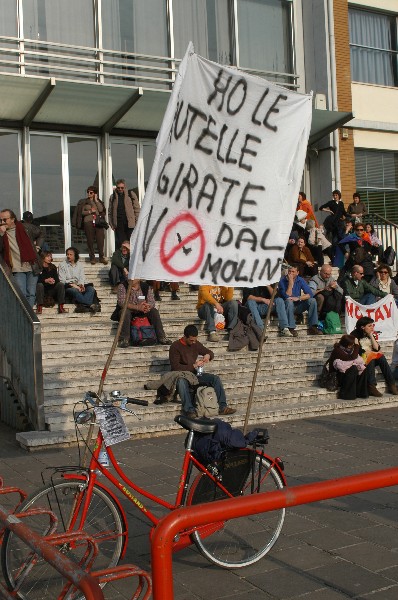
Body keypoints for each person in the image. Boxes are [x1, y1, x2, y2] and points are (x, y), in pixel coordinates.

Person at [169, 324, 236, 418]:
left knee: (215, 379)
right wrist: (194, 365)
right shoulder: (175, 346)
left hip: (194, 375)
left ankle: (222, 407)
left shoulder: (195, 344)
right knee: (181, 382)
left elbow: (209, 352)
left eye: (195, 340)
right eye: (191, 340)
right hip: (181, 375)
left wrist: (208, 355)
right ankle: (189, 410)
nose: (193, 342)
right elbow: (175, 367)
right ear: (185, 337)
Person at [0, 208, 43, 307]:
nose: (2, 222)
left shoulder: (25, 227)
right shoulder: (2, 233)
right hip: (17, 268)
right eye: (0, 220)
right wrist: (1, 234)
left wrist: (38, 247)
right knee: (22, 294)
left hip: (32, 265)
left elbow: (40, 234)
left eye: (4, 220)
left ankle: (30, 318)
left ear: (12, 219)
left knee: (31, 293)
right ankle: (26, 317)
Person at [351, 316, 398, 397]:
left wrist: (371, 335)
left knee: (381, 357)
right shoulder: (354, 335)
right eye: (369, 326)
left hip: (370, 357)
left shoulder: (369, 334)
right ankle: (372, 386)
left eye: (372, 325)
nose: (372, 327)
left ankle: (391, 384)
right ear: (362, 327)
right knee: (371, 357)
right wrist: (370, 353)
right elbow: (359, 351)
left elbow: (377, 348)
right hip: (360, 360)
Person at [117, 278, 171, 348]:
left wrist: (147, 306)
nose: (130, 278)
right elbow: (122, 302)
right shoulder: (123, 286)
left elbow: (151, 301)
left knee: (154, 311)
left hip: (143, 310)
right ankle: (124, 339)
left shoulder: (145, 286)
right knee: (124, 312)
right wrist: (137, 307)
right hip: (130, 310)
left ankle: (161, 337)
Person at [278, 264, 322, 336]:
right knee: (289, 301)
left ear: (297, 272)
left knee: (312, 300)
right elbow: (287, 296)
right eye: (289, 271)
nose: (291, 273)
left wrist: (298, 298)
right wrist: (291, 283)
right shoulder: (282, 281)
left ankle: (313, 326)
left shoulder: (300, 279)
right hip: (286, 306)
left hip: (297, 305)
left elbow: (310, 294)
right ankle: (291, 328)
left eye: (293, 272)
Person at [58, 247, 100, 313]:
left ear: (75, 255)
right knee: (75, 291)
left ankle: (85, 305)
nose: (68, 256)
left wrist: (81, 285)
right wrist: (74, 285)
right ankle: (91, 305)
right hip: (69, 285)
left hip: (79, 284)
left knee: (91, 289)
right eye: (67, 254)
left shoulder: (79, 264)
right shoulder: (62, 265)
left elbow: (82, 276)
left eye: (70, 254)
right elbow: (62, 280)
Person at [327, 334, 368, 400]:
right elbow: (351, 357)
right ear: (348, 345)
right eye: (352, 344)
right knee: (353, 368)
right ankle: (346, 394)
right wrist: (357, 345)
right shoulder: (337, 351)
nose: (353, 346)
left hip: (345, 374)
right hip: (337, 376)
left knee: (363, 368)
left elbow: (355, 357)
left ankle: (360, 392)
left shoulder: (349, 350)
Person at [76, 186, 108, 265]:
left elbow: (101, 210)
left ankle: (101, 257)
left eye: (91, 192)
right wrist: (90, 211)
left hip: (98, 222)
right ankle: (92, 257)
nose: (89, 194)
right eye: (88, 192)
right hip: (88, 222)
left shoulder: (98, 201)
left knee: (100, 239)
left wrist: (96, 200)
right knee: (90, 240)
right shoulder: (85, 202)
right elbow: (81, 212)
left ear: (95, 193)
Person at [109, 179, 140, 248]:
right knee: (121, 243)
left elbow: (137, 209)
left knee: (131, 243)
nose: (120, 189)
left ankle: (131, 258)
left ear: (125, 187)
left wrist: (137, 222)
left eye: (122, 188)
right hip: (118, 224)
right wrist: (111, 224)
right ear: (116, 187)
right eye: (118, 188)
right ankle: (122, 258)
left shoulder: (131, 194)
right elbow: (110, 212)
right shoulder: (113, 197)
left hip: (130, 223)